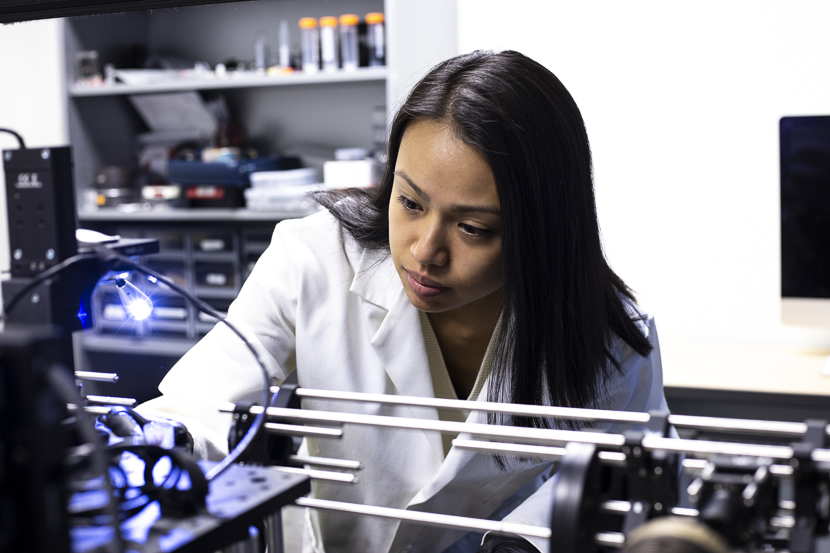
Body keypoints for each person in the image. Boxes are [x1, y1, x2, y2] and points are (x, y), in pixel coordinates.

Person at [137, 50, 669, 553]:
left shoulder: (611, 340)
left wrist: (524, 542)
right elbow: (204, 404)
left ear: (543, 231)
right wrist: (149, 448)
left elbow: (630, 493)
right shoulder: (315, 258)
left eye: (473, 228)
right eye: (409, 201)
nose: (424, 250)